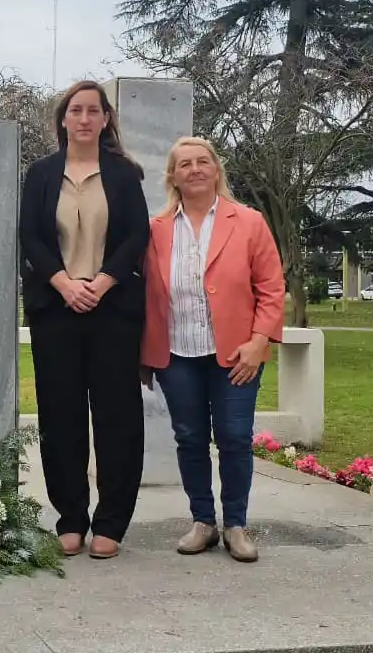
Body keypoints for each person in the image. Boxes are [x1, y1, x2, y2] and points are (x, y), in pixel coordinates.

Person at [17, 79, 150, 559]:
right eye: (76, 110)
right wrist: (63, 283)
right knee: (60, 416)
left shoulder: (123, 173)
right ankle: (70, 517)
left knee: (116, 418)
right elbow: (29, 236)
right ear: (63, 119)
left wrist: (104, 281)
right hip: (58, 309)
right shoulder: (43, 173)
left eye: (94, 111)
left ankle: (111, 521)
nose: (85, 119)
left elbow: (137, 236)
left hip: (111, 310)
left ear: (106, 119)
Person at [140, 136, 285, 563]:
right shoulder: (157, 230)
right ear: (173, 177)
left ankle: (235, 525)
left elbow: (272, 289)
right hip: (177, 354)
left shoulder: (250, 222)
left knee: (235, 438)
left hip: (237, 355)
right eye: (185, 164)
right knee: (189, 438)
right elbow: (144, 295)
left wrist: (259, 342)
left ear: (217, 170)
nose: (195, 169)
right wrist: (142, 355)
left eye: (203, 161)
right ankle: (202, 521)